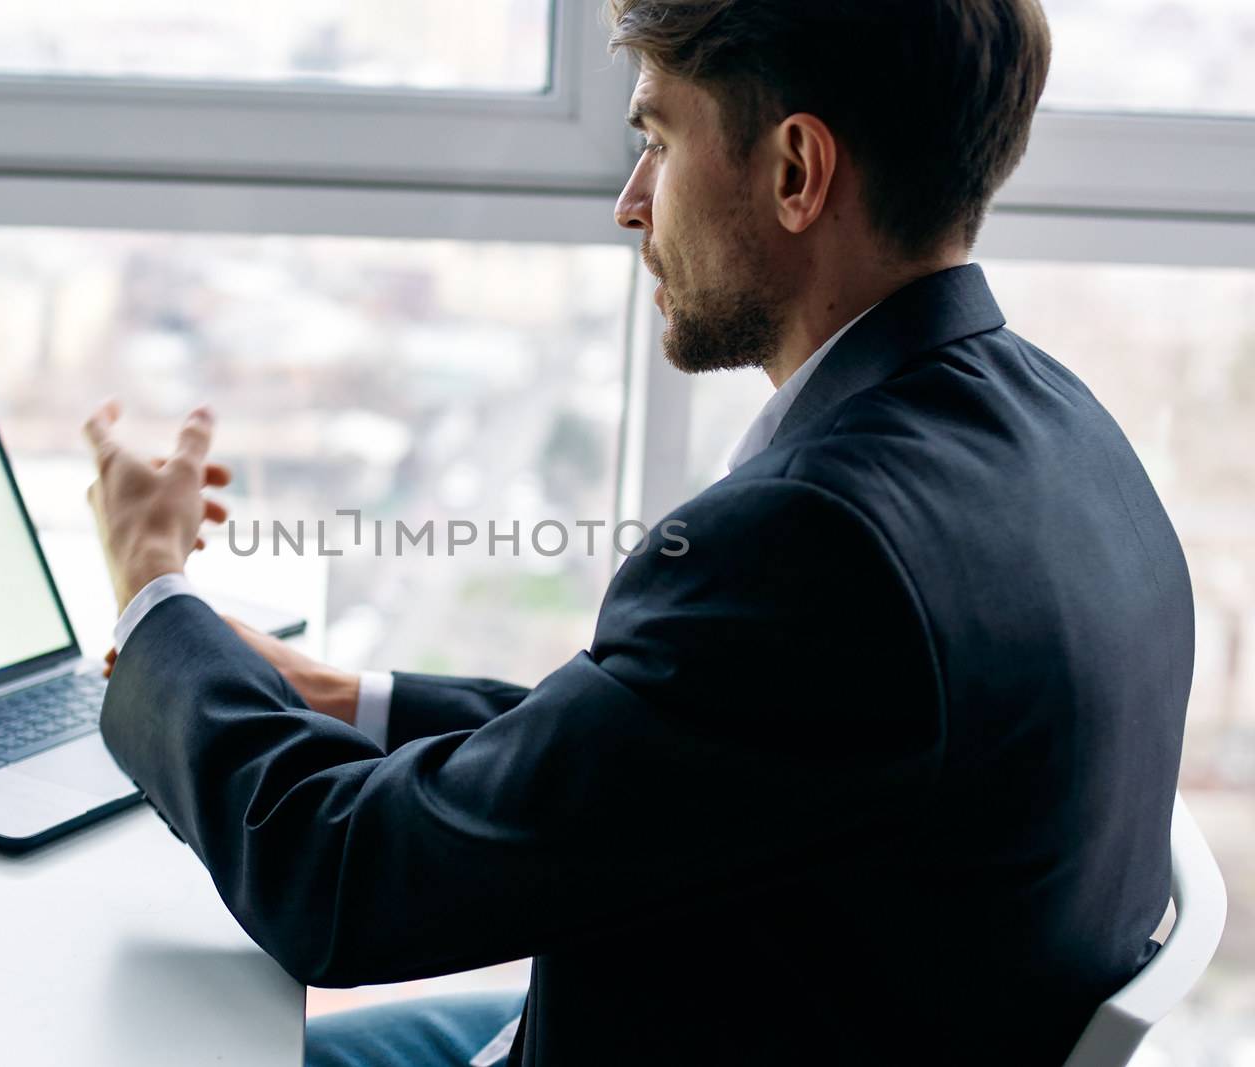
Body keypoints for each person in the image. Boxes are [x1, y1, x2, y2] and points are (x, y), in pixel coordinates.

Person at [82, 1, 1193, 1063]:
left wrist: (154, 588)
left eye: (657, 139)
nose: (629, 201)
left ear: (795, 171)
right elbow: (684, 744)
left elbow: (339, 882)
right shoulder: (1062, 434)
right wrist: (341, 697)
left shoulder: (816, 546)